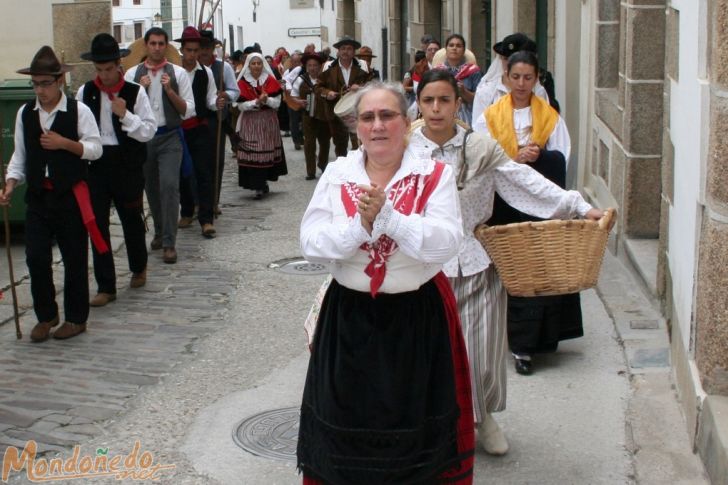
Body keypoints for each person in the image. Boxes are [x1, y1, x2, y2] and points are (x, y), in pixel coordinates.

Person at [408, 69, 608, 455]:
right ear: (419, 102)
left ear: (457, 104)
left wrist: (579, 206)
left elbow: (523, 180)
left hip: (475, 262)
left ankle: (482, 419)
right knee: (427, 354)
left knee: (480, 353)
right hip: (420, 268)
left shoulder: (481, 147)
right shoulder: (403, 148)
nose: (436, 109)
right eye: (428, 100)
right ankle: (430, 427)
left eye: (444, 100)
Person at [297, 81, 474, 484]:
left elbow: (446, 242)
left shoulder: (434, 175)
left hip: (416, 320)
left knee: (416, 436)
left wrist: (390, 218)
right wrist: (361, 224)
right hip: (349, 320)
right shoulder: (338, 175)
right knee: (346, 431)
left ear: (407, 122)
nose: (377, 125)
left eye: (387, 115)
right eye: (367, 117)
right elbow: (311, 243)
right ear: (356, 127)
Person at [478, 50, 580, 376]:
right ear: (505, 78)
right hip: (506, 206)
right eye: (516, 77)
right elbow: (482, 161)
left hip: (542, 205)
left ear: (537, 80)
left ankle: (544, 338)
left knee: (542, 270)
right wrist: (514, 158)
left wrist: (541, 158)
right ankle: (516, 341)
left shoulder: (550, 118)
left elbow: (562, 158)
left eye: (528, 77)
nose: (522, 84)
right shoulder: (490, 118)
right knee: (512, 272)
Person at [0, 46, 103, 341]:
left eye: (45, 83)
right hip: (38, 197)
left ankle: (75, 318)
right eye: (36, 83)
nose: (40, 90)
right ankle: (46, 315)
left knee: (74, 258)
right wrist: (10, 183)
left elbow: (95, 150)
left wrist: (65, 144)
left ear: (59, 81)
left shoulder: (77, 111)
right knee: (35, 257)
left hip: (70, 195)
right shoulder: (25, 113)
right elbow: (20, 156)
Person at [77, 33, 156, 308]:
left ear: (118, 65)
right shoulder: (85, 92)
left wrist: (125, 114)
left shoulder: (135, 92)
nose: (105, 75)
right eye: (99, 70)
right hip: (96, 164)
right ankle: (106, 285)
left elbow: (148, 130)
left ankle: (138, 266)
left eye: (109, 69)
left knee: (131, 219)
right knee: (97, 225)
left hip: (127, 164)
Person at [125, 27, 195, 264]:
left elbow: (187, 110)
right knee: (151, 189)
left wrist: (169, 90)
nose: (156, 48)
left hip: (170, 137)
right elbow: (124, 112)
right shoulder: (133, 75)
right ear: (146, 46)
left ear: (166, 46)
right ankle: (157, 230)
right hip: (143, 139)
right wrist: (141, 90)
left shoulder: (178, 74)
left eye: (160, 44)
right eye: (152, 43)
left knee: (169, 186)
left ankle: (169, 242)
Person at [176, 27, 219, 238]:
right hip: (179, 131)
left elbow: (210, 100)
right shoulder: (173, 72)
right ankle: (186, 210)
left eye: (195, 50)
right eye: (189, 50)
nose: (192, 54)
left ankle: (206, 219)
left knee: (204, 173)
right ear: (182, 50)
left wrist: (217, 102)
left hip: (200, 128)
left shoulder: (206, 72)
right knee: (182, 174)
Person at [471, 33, 550, 134]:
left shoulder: (538, 91)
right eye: (505, 59)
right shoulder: (486, 91)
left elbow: (546, 126)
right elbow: (479, 132)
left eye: (515, 59)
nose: (509, 63)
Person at [234, 53, 288, 199]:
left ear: (263, 65)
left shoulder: (270, 80)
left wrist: (266, 100)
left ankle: (262, 183)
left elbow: (277, 103)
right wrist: (256, 102)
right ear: (248, 65)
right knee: (252, 152)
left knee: (265, 152)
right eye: (253, 63)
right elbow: (240, 106)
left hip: (267, 122)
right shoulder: (243, 82)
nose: (256, 66)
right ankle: (256, 185)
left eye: (259, 63)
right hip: (250, 122)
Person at [199, 30, 241, 214]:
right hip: (194, 120)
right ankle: (195, 203)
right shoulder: (189, 68)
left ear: (212, 48)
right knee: (195, 164)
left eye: (207, 47)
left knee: (216, 162)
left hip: (216, 120)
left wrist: (225, 94)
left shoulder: (223, 67)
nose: (204, 51)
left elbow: (235, 91)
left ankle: (213, 202)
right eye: (201, 47)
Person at [316, 35, 372, 157]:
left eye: (349, 49)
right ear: (338, 51)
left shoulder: (363, 66)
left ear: (353, 52)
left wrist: (361, 88)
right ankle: (342, 170)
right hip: (336, 112)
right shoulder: (328, 67)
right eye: (343, 48)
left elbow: (373, 85)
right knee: (340, 145)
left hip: (358, 112)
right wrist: (327, 93)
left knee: (360, 143)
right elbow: (318, 87)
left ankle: (361, 168)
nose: (345, 51)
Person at [290, 52, 331, 179]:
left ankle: (323, 166)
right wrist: (298, 101)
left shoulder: (326, 79)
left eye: (315, 65)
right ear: (306, 67)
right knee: (309, 144)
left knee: (325, 142)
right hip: (308, 116)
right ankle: (311, 171)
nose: (312, 68)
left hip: (324, 116)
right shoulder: (301, 79)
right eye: (310, 65)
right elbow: (292, 96)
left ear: (320, 66)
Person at [435, 34, 482, 126]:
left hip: (466, 119)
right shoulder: (437, 72)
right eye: (451, 45)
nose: (454, 48)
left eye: (458, 46)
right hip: (441, 114)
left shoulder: (473, 71)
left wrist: (464, 92)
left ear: (463, 50)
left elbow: (479, 101)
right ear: (446, 49)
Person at [283, 51, 304, 150]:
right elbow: (285, 82)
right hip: (291, 99)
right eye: (294, 62)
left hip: (302, 98)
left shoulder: (302, 70)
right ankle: (296, 141)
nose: (296, 64)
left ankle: (301, 137)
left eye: (298, 61)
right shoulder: (287, 72)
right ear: (291, 62)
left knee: (304, 120)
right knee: (294, 120)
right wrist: (290, 90)